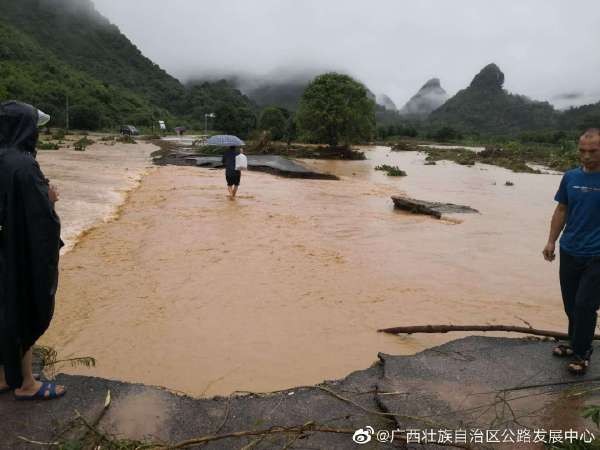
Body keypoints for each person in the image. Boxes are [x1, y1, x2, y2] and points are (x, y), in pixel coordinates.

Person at [0, 100, 66, 399]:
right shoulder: (24, 165)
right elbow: (40, 221)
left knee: (3, 313)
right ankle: (27, 383)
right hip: (16, 254)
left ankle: (3, 376)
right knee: (24, 308)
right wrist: (50, 199)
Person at [543, 128, 600, 375]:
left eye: (593, 151)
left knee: (585, 304)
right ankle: (574, 342)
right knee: (570, 303)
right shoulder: (570, 177)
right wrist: (551, 241)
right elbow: (562, 210)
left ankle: (582, 352)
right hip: (569, 249)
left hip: (597, 254)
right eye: (582, 151)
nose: (586, 156)